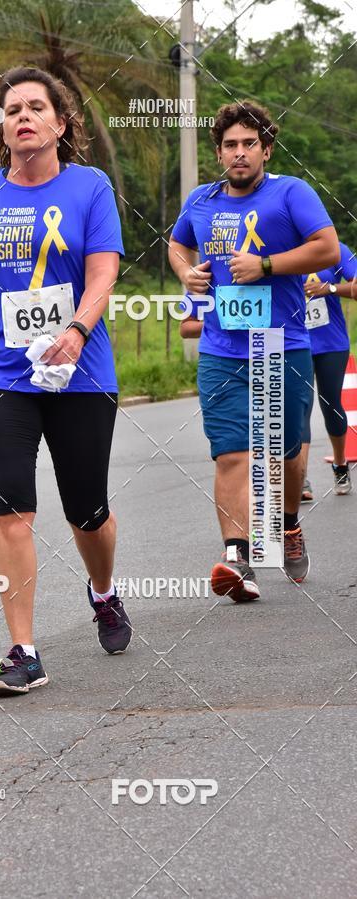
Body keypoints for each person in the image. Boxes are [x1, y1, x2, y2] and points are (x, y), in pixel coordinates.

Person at [0, 66, 132, 698]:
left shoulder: (90, 187)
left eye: (34, 107)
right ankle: (24, 650)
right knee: (12, 507)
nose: (22, 116)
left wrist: (75, 329)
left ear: (60, 122)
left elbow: (104, 273)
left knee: (88, 510)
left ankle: (102, 591)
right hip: (0, 371)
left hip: (80, 371)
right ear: (3, 129)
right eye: (12, 109)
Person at [168, 100, 340, 601]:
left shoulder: (291, 192)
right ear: (218, 152)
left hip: (281, 342)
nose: (239, 154)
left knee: (286, 451)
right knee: (231, 454)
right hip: (222, 347)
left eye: (248, 144)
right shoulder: (200, 201)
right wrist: (184, 271)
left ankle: (286, 524)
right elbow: (177, 245)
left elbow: (327, 248)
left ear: (266, 148)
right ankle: (237, 558)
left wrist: (265, 266)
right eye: (229, 145)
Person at [300, 242, 357, 500]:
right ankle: (299, 479)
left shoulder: (334, 248)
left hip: (330, 343)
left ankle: (340, 464)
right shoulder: (278, 248)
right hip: (293, 342)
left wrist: (329, 288)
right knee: (298, 407)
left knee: (331, 405)